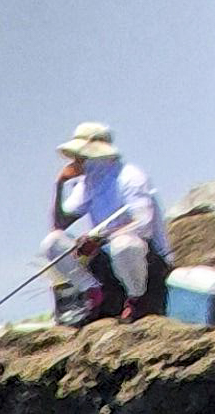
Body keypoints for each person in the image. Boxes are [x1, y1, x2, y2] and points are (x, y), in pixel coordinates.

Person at [47, 123, 166, 325]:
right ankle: (93, 291)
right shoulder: (87, 183)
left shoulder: (130, 176)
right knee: (53, 243)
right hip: (106, 257)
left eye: (81, 156)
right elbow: (60, 224)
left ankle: (138, 298)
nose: (77, 161)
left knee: (124, 245)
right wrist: (59, 185)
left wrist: (100, 239)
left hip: (143, 256)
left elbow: (144, 224)